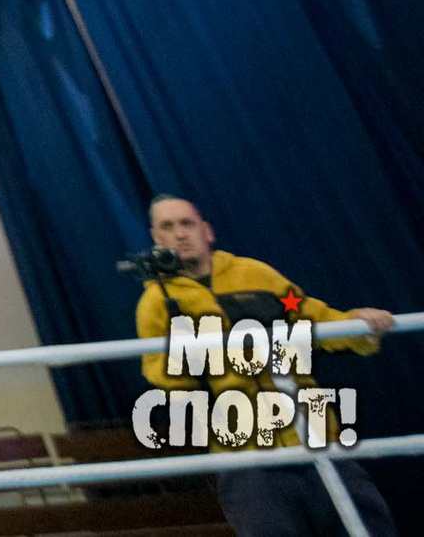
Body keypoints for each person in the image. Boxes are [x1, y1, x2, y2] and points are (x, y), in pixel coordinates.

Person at [136, 194, 398, 535]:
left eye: (187, 223)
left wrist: (359, 325)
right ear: (157, 240)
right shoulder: (154, 303)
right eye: (167, 227)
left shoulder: (255, 273)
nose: (180, 234)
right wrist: (206, 355)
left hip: (317, 437)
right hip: (245, 456)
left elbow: (315, 319)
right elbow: (160, 377)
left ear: (207, 231)